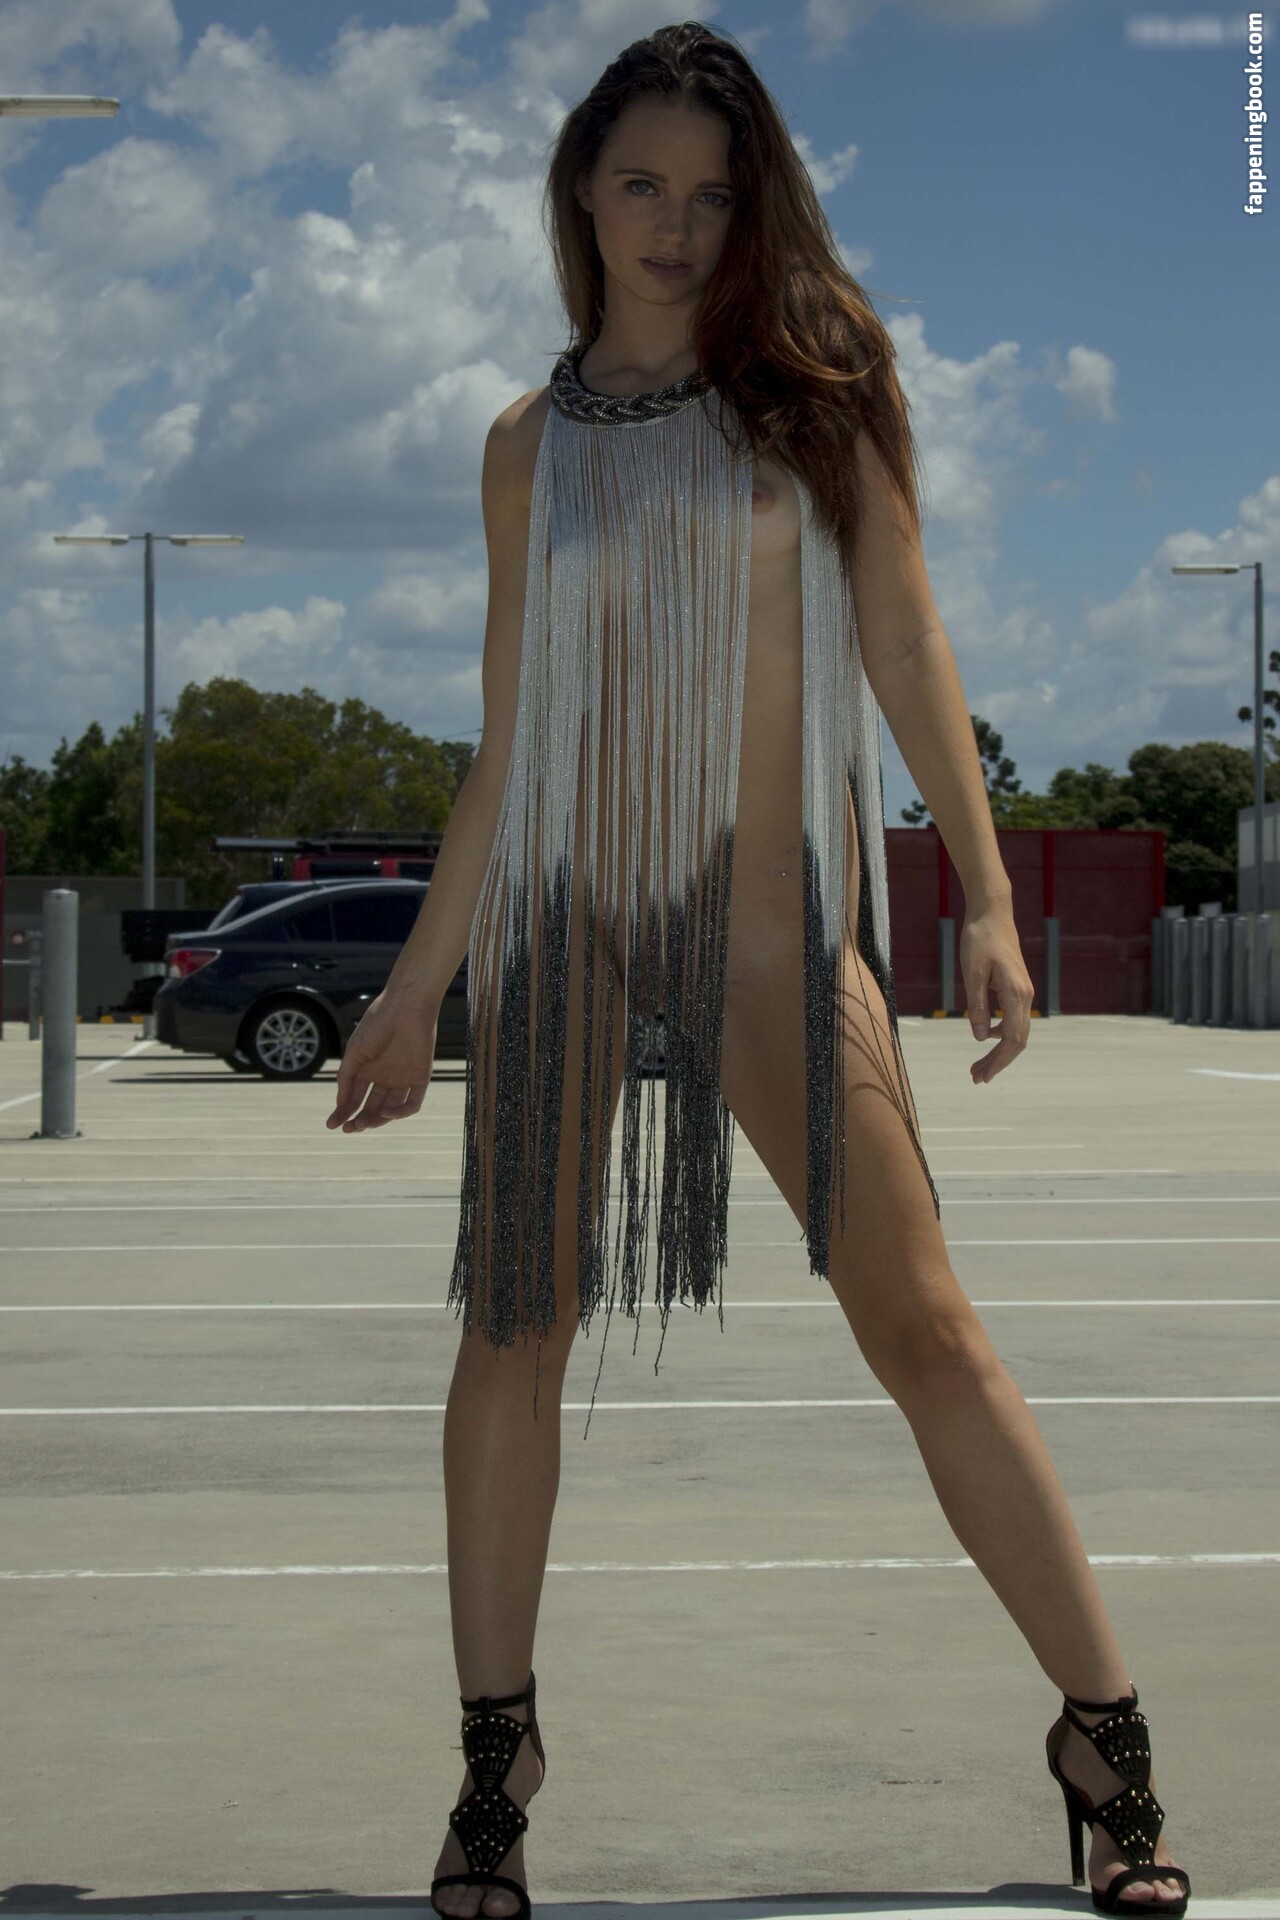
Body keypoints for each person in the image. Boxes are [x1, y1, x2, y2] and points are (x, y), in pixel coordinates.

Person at [324, 21, 1190, 1918]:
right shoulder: (525, 449)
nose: (674, 225)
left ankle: (1101, 1733)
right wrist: (417, 979)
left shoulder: (816, 399)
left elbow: (908, 645)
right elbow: (510, 735)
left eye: (712, 197)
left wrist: (984, 896)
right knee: (512, 1329)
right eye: (640, 184)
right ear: (580, 190)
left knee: (928, 1329)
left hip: (769, 919)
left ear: (755, 210)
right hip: (563, 910)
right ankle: (496, 1760)